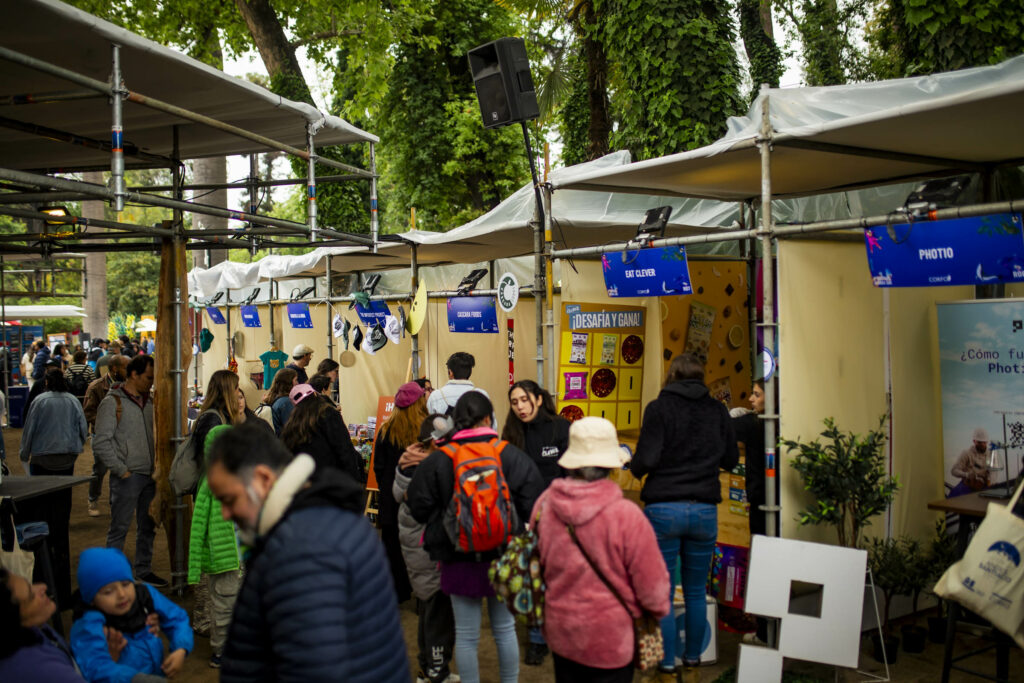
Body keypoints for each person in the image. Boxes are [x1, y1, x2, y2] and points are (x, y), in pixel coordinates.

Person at [205, 423, 409, 682]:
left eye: (230, 499)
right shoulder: (324, 517)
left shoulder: (300, 551)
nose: (225, 513)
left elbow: (316, 668)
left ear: (264, 479)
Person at [407, 391, 545, 683]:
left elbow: (417, 507)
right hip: (504, 553)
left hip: (457, 555)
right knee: (504, 629)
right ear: (488, 418)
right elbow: (534, 500)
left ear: (456, 421)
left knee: (467, 635)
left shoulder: (441, 458)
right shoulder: (508, 453)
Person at [535, 417, 670, 683]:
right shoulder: (626, 516)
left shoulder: (545, 505)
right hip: (612, 641)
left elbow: (536, 562)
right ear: (612, 466)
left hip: (562, 633)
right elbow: (653, 591)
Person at [632, 353, 739, 683]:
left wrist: (633, 465)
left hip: (663, 509)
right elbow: (732, 460)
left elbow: (646, 459)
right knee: (694, 592)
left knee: (661, 592)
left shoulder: (659, 408)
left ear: (671, 375)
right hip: (705, 510)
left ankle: (666, 669)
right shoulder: (718, 411)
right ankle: (692, 666)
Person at [499, 378, 570, 665]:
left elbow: (571, 472)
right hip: (525, 519)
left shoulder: (561, 427)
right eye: (515, 402)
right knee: (533, 580)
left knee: (562, 579)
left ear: (538, 399)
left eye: (524, 400)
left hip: (561, 515)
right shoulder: (511, 434)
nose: (520, 407)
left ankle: (564, 633)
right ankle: (538, 640)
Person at [393, 414, 458, 683]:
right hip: (428, 550)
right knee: (438, 614)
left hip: (419, 547)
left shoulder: (412, 459)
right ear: (432, 442)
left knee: (430, 611)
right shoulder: (429, 469)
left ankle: (428, 668)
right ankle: (436, 672)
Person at [92, 354, 166, 587]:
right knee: (120, 528)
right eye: (148, 377)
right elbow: (100, 441)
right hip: (128, 476)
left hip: (150, 476)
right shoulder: (113, 403)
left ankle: (142, 570)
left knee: (148, 526)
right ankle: (112, 576)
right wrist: (121, 470)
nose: (151, 382)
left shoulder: (151, 403)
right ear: (134, 374)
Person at [18, 367, 88, 606]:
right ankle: (61, 576)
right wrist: (75, 447)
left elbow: (29, 430)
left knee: (41, 513)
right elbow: (83, 429)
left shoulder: (39, 401)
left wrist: (23, 454)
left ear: (47, 382)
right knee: (61, 513)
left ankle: (44, 575)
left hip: (42, 459)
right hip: (66, 460)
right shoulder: (71, 401)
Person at [69, 547, 192, 682]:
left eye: (126, 584)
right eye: (108, 591)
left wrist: (181, 648)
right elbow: (94, 665)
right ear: (91, 599)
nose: (122, 595)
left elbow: (177, 617)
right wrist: (136, 679)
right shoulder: (88, 625)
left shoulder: (144, 596)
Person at [188, 425, 242, 669]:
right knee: (222, 607)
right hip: (222, 559)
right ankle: (220, 651)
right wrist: (193, 569)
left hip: (243, 557)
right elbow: (197, 527)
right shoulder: (209, 485)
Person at [373, 381, 429, 604]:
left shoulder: (386, 430)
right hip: (422, 498)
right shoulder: (427, 431)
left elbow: (378, 466)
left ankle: (398, 590)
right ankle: (424, 597)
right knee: (422, 546)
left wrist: (387, 489)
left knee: (393, 546)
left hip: (391, 497)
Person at [0, 569, 83, 682]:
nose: (43, 586)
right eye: (31, 596)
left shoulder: (36, 628)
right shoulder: (43, 670)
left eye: (30, 584)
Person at [280, 383, 362, 482]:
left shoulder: (291, 426)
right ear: (315, 394)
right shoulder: (328, 414)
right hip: (332, 482)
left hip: (307, 486)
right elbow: (344, 449)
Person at [82, 355, 129, 518]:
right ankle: (93, 499)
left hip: (122, 436)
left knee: (120, 470)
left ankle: (115, 502)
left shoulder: (129, 386)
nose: (129, 371)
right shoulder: (96, 387)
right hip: (102, 436)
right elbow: (88, 412)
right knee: (100, 470)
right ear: (115, 369)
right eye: (125, 367)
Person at [190, 370, 245, 469]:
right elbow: (212, 457)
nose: (238, 393)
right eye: (237, 388)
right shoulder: (212, 419)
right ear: (229, 391)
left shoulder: (224, 415)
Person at [426, 352, 490, 418]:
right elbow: (492, 425)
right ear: (470, 372)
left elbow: (429, 425)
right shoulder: (482, 395)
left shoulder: (436, 396)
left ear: (450, 372)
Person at [950, 427, 992, 496]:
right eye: (979, 442)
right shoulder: (967, 453)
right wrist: (967, 475)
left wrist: (989, 480)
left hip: (983, 486)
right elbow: (954, 471)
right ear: (974, 441)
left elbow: (993, 472)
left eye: (984, 442)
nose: (982, 445)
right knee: (954, 497)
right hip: (967, 485)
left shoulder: (990, 455)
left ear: (987, 442)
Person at [263, 367, 298, 435]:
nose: (298, 383)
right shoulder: (286, 402)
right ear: (288, 383)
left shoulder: (275, 398)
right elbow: (292, 430)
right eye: (296, 380)